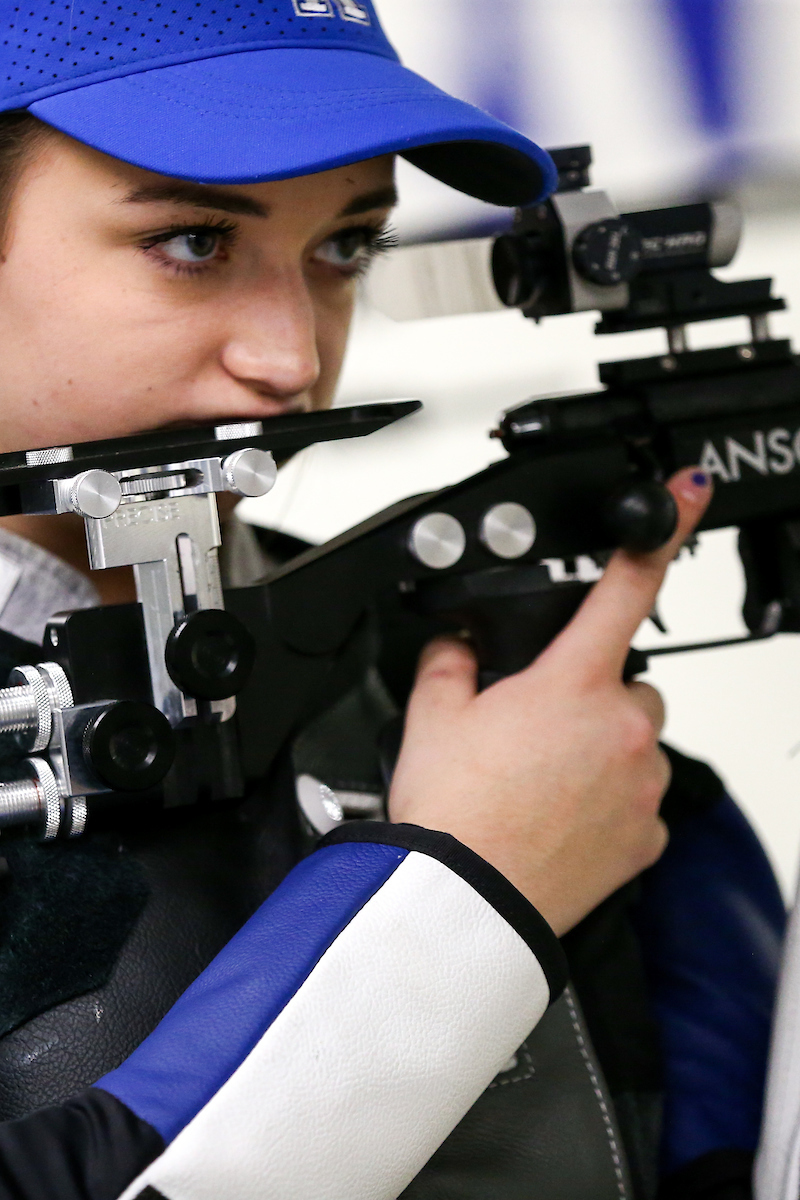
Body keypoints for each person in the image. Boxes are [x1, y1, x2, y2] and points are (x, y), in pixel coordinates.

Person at [0, 2, 784, 1198]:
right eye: (195, 240)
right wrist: (465, 889)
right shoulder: (526, 788)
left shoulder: (539, 729)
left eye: (346, 246)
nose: (290, 359)